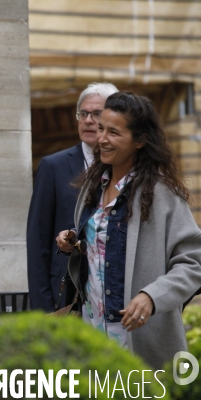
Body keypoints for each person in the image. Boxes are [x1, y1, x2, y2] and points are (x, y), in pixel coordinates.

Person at [56, 92, 201, 369]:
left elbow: (194, 261)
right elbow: (106, 241)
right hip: (91, 334)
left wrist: (151, 296)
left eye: (113, 132)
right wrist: (75, 239)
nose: (101, 139)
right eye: (101, 129)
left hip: (141, 339)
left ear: (140, 140)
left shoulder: (162, 194)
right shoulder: (92, 187)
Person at [27, 82, 118, 312]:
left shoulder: (125, 168)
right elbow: (38, 242)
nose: (88, 120)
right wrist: (43, 309)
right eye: (83, 114)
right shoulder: (53, 166)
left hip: (115, 292)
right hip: (65, 294)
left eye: (96, 114)